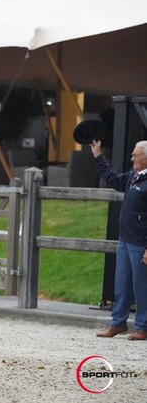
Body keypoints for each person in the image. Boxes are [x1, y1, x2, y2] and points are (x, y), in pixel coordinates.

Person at [91, 139, 147, 340]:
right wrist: (98, 157)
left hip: (141, 242)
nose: (132, 158)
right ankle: (118, 323)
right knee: (121, 284)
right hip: (125, 240)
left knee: (142, 286)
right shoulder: (133, 176)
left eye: (135, 155)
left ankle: (143, 327)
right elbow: (113, 180)